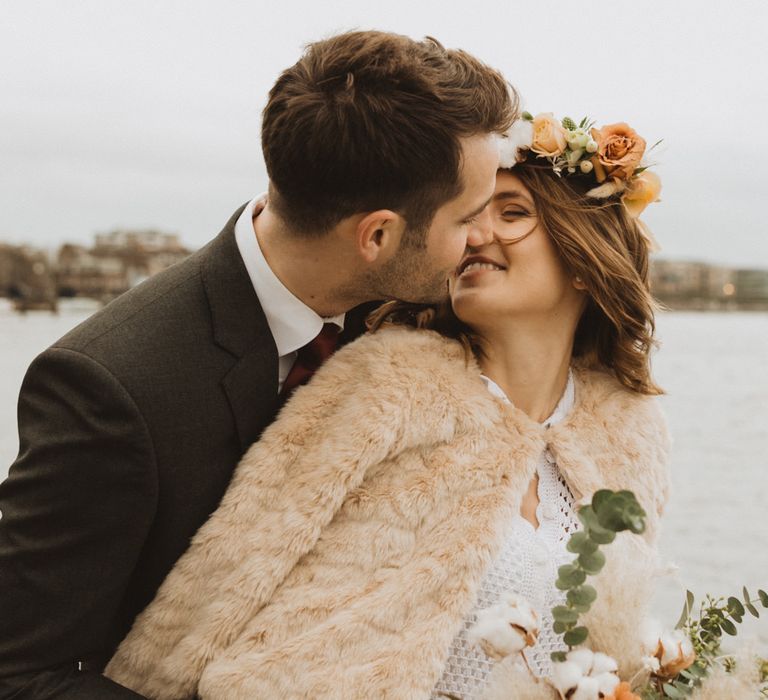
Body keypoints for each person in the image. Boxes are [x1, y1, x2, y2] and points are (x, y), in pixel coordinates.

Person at [0, 31, 515, 698]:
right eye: (469, 216)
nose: (482, 237)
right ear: (378, 235)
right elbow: (18, 671)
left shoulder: (411, 319)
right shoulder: (112, 388)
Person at [103, 113, 672, 699]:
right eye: (468, 216)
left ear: (585, 255)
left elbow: (614, 647)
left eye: (512, 213)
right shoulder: (384, 383)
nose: (474, 236)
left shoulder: (631, 430)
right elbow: (232, 570)